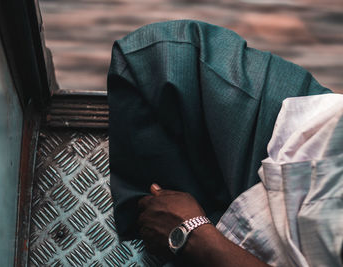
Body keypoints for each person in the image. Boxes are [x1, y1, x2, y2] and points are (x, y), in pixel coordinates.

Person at [107, 20, 339, 266]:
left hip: (304, 205)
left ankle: (207, 230)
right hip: (322, 140)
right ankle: (210, 217)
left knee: (154, 55)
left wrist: (196, 236)